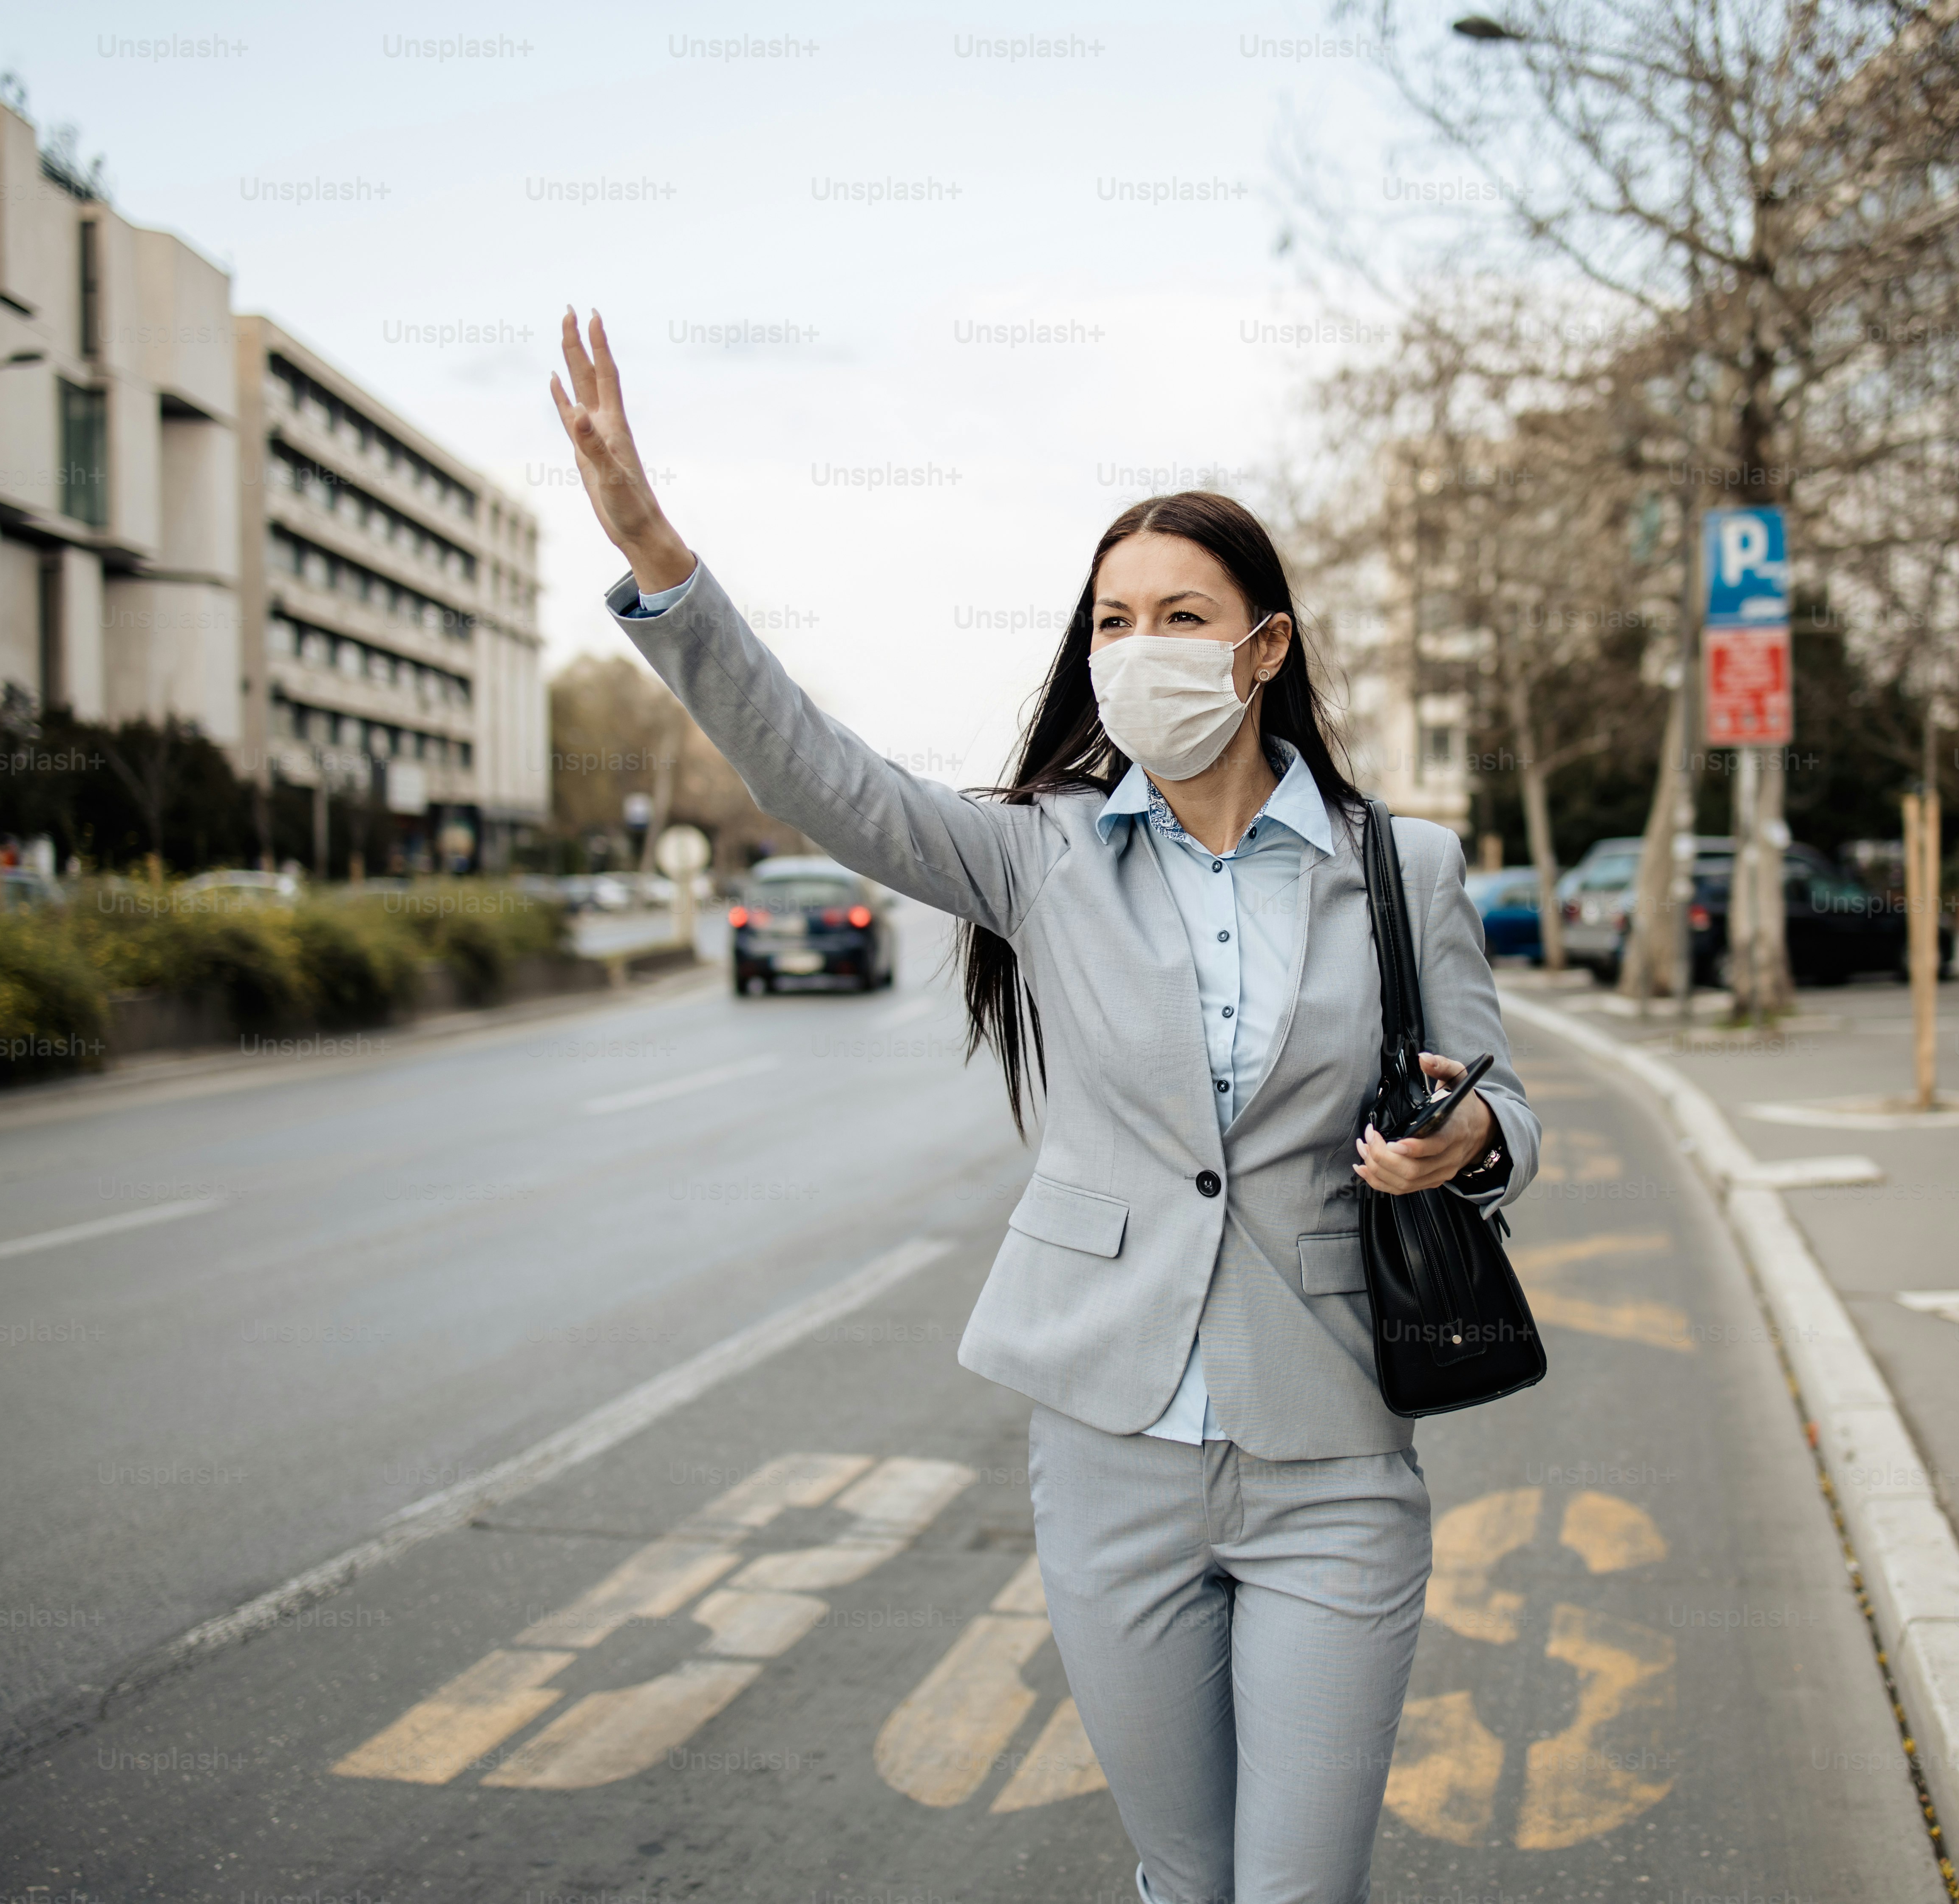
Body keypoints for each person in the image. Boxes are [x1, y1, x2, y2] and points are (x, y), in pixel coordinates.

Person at [549, 309, 1539, 1904]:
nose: (1138, 645)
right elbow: (820, 776)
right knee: (1182, 1877)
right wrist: (663, 559)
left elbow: (1505, 1110)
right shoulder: (1041, 856)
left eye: (1181, 614)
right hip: (1109, 1447)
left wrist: (1469, 1140)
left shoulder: (1401, 866)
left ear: (1264, 648)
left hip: (1335, 1448)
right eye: (1113, 619)